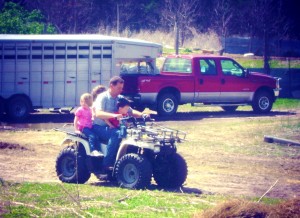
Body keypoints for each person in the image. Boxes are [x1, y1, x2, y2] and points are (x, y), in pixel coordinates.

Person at [93, 76, 149, 171]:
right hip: (100, 126)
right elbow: (98, 113)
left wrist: (142, 115)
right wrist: (114, 116)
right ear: (111, 86)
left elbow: (130, 111)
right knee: (116, 134)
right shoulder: (102, 97)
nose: (121, 90)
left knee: (133, 133)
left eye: (122, 88)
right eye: (119, 88)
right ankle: (107, 164)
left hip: (115, 125)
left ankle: (127, 161)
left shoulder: (120, 98)